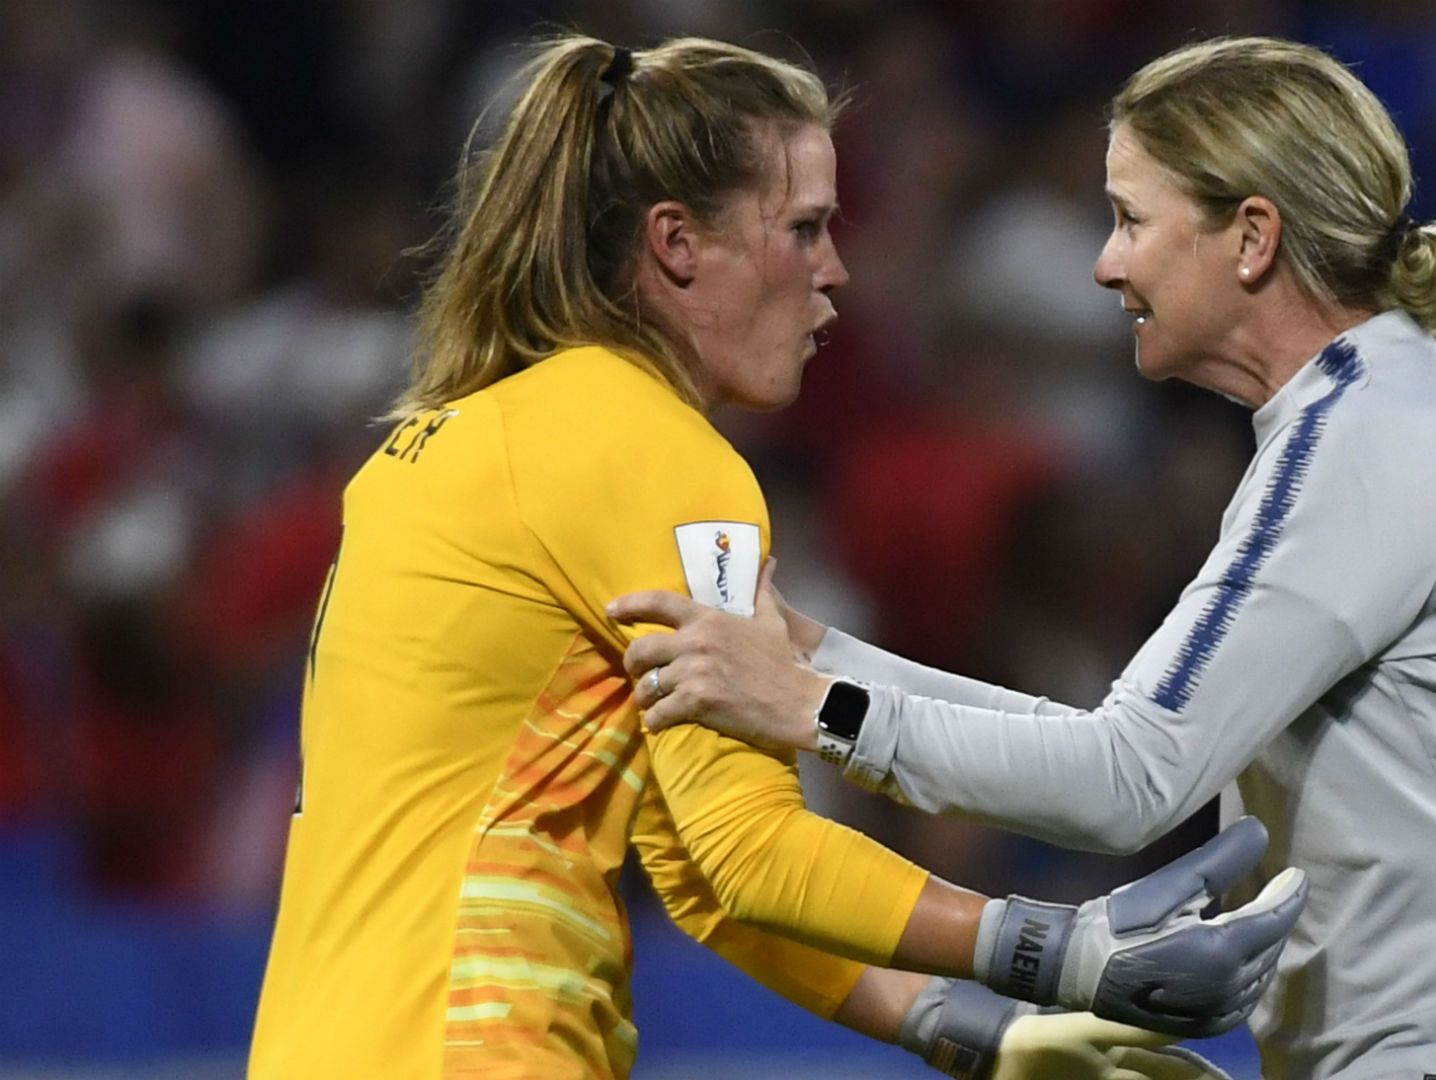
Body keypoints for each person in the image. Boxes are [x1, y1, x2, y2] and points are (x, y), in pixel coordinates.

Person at [247, 35, 1310, 1080]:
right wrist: (1058, 950)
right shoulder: (658, 454)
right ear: (676, 244)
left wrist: (963, 1026)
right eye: (804, 229)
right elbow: (754, 848)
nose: (835, 272)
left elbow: (701, 866)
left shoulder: (427, 448)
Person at [610, 36, 1436, 1079]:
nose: (1107, 264)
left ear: (1251, 237)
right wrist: (816, 660)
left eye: (1130, 220)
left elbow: (1126, 781)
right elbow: (1116, 741)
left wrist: (812, 709)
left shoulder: (1369, 442)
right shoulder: (1365, 421)